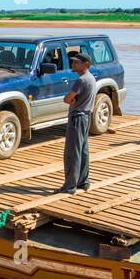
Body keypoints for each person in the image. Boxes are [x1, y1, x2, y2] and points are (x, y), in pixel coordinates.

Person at [60, 51, 97, 194]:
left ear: (85, 65)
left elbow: (67, 98)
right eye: (73, 61)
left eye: (77, 62)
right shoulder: (91, 78)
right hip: (86, 117)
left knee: (72, 153)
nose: (73, 64)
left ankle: (70, 186)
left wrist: (71, 100)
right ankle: (83, 182)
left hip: (77, 118)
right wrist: (73, 99)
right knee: (82, 151)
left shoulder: (81, 80)